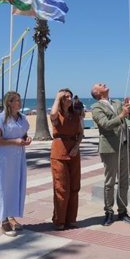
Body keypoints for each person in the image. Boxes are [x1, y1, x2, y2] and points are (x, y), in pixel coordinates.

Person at [91, 82, 130, 226]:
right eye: (100, 84)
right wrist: (122, 115)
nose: (103, 83)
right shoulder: (96, 108)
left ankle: (122, 211)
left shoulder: (116, 102)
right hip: (110, 148)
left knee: (124, 181)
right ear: (97, 92)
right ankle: (108, 212)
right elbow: (105, 125)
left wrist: (129, 109)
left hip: (124, 145)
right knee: (110, 182)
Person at [0, 91, 32, 237]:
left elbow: (23, 133)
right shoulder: (0, 119)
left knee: (17, 186)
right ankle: (3, 220)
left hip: (19, 156)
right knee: (4, 187)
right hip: (5, 158)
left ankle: (11, 216)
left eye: (19, 100)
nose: (19, 103)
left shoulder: (22, 118)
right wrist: (14, 142)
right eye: (16, 100)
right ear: (9, 102)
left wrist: (26, 139)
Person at [49, 88, 84, 230]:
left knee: (75, 186)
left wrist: (76, 146)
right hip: (59, 151)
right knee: (61, 187)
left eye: (70, 96)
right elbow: (52, 115)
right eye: (65, 97)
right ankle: (59, 220)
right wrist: (58, 98)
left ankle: (71, 219)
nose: (69, 98)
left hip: (74, 151)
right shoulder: (57, 115)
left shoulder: (75, 114)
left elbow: (81, 132)